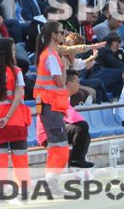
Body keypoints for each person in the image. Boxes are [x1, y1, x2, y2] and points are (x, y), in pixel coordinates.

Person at [0, 37, 30, 177]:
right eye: (13, 50)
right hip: (16, 118)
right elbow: (19, 96)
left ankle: (0, 187)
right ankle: (23, 187)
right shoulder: (16, 71)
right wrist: (8, 117)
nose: (15, 53)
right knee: (20, 156)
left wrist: (0, 118)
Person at [34, 20, 70, 176]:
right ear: (54, 35)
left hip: (50, 103)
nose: (64, 35)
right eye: (61, 32)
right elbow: (61, 82)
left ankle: (52, 178)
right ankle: (51, 178)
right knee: (59, 144)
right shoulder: (51, 56)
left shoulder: (49, 54)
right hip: (50, 103)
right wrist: (65, 65)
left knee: (57, 144)